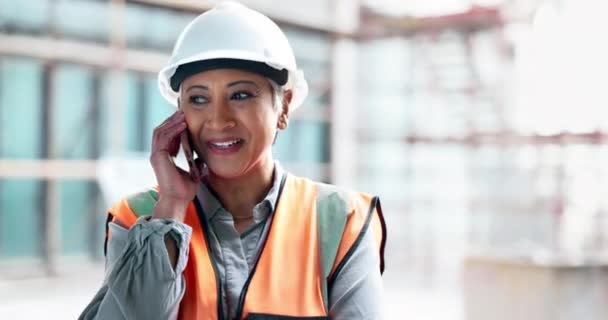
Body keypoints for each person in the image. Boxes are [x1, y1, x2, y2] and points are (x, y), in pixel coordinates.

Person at [80, 2, 386, 319]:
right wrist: (170, 208)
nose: (218, 119)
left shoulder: (342, 221)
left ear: (283, 107)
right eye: (198, 99)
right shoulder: (136, 218)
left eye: (240, 95)